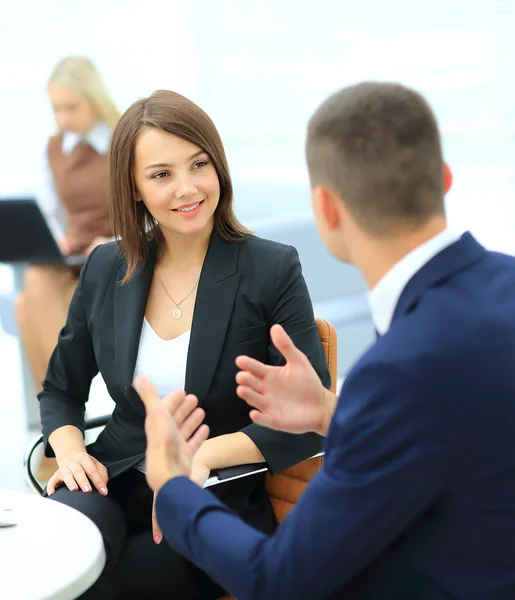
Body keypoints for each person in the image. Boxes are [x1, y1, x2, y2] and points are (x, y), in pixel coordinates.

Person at [137, 82, 515, 599]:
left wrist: (174, 486)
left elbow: (277, 581)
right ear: (444, 179)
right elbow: (469, 429)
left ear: (326, 209)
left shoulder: (398, 371)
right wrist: (330, 412)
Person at [39, 89, 330, 599]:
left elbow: (310, 420)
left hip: (215, 491)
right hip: (117, 474)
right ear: (133, 187)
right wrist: (70, 453)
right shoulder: (108, 266)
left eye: (199, 164)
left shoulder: (271, 268)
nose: (187, 187)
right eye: (161, 174)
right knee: (65, 555)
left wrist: (199, 459)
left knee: (133, 579)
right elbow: (61, 389)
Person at [15, 56, 119, 393]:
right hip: (76, 258)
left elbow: (150, 214)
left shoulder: (123, 141)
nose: (63, 118)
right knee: (34, 277)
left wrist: (112, 239)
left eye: (71, 107)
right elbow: (52, 213)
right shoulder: (55, 148)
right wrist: (58, 238)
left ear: (95, 98)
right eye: (56, 109)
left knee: (27, 306)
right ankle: (62, 418)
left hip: (116, 255)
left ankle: (61, 422)